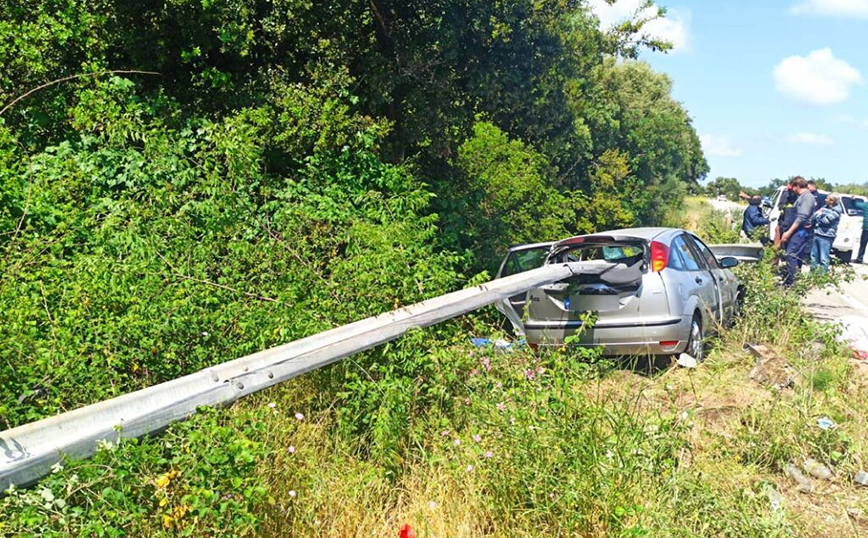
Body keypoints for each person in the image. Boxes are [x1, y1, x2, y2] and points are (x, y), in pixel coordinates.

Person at [780, 177, 816, 286]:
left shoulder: (807, 197)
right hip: (798, 231)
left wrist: (788, 233)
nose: (792, 189)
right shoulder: (802, 197)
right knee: (796, 256)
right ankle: (792, 280)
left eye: (793, 187)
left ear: (797, 186)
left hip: (800, 232)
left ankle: (792, 282)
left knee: (791, 255)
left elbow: (801, 217)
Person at [810, 195, 840, 273]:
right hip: (817, 233)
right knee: (813, 256)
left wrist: (819, 214)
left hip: (826, 237)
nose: (825, 199)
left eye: (827, 198)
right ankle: (812, 274)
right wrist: (820, 214)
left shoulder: (836, 211)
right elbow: (813, 217)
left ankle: (822, 277)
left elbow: (825, 221)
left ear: (832, 201)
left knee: (823, 258)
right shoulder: (824, 208)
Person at [854, 198, 868, 263]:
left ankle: (859, 258)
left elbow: (856, 205)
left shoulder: (866, 205)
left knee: (863, 244)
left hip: (866, 228)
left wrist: (853, 200)